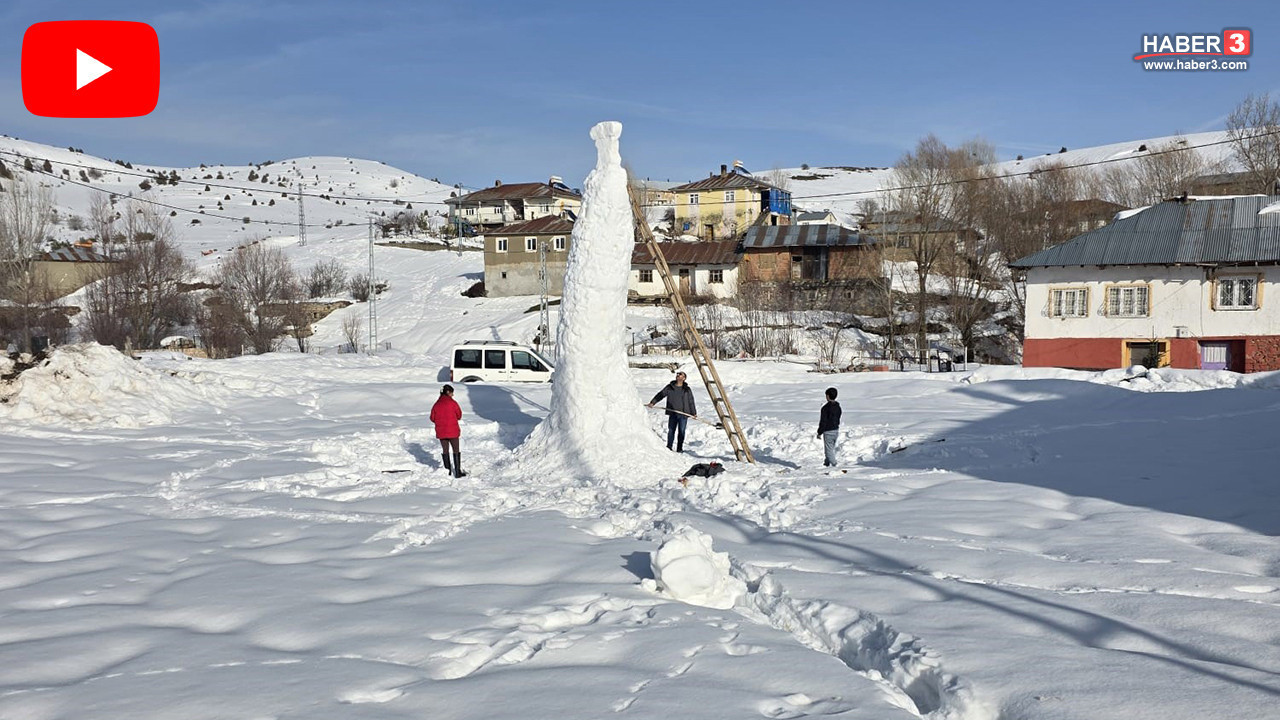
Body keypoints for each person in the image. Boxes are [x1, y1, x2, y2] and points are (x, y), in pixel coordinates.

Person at [647, 371, 697, 453]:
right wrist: (653, 402)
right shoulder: (670, 387)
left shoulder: (687, 389)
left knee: (681, 432)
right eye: (677, 374)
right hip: (673, 413)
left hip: (683, 414)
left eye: (680, 375)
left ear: (684, 378)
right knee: (671, 431)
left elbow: (691, 401)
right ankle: (669, 447)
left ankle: (679, 448)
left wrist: (693, 413)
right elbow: (661, 394)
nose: (678, 375)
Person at [430, 384, 466, 477]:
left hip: (441, 432)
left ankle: (448, 472)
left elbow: (432, 418)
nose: (453, 395)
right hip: (453, 432)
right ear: (448, 392)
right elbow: (459, 415)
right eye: (452, 393)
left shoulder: (436, 405)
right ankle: (457, 472)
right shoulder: (453, 403)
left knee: (445, 451)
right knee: (456, 450)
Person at [817, 387, 842, 467]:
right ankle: (826, 462)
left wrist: (819, 432)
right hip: (836, 430)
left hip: (828, 431)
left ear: (827, 396)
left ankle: (835, 465)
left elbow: (823, 421)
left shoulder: (825, 408)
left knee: (829, 449)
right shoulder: (838, 407)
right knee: (830, 448)